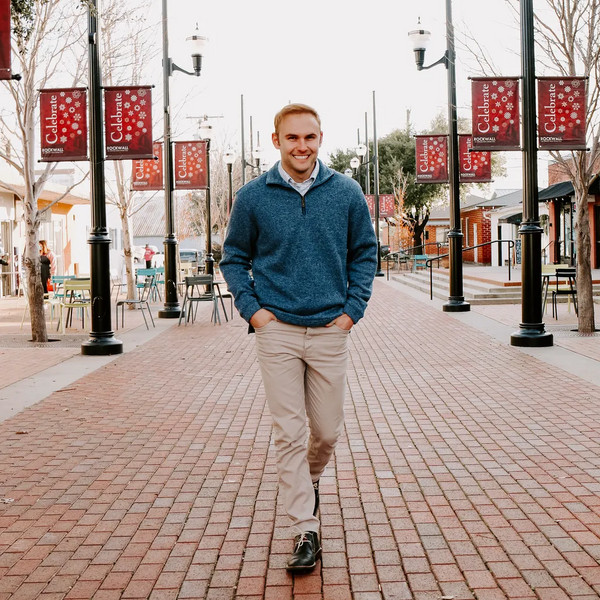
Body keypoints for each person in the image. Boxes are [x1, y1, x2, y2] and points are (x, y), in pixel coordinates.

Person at [221, 104, 377, 573]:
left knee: (326, 432)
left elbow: (365, 254)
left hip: (330, 329)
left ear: (320, 138)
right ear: (277, 141)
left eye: (309, 137)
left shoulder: (346, 192)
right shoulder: (253, 197)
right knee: (289, 432)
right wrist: (255, 312)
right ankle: (304, 529)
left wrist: (351, 312)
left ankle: (305, 484)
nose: (301, 146)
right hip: (278, 332)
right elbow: (233, 258)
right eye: (292, 138)